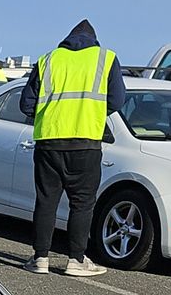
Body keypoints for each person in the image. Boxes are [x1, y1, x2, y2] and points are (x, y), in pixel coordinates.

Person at [19, 19, 125, 276]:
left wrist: (51, 114)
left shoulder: (48, 60)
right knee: (82, 203)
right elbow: (117, 100)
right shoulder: (106, 58)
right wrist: (92, 113)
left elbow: (26, 104)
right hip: (86, 142)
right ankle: (76, 260)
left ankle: (40, 258)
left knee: (46, 201)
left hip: (49, 141)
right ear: (94, 39)